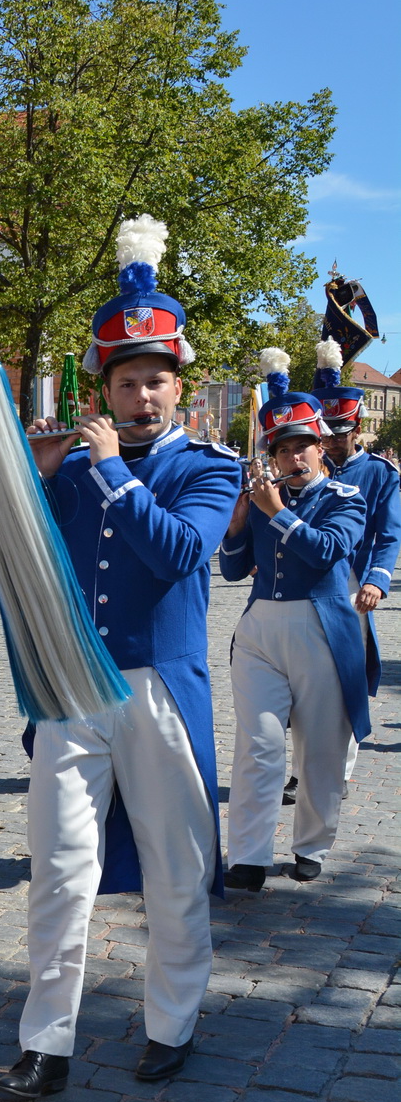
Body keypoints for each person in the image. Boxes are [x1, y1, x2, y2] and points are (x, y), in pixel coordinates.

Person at [0, 215, 242, 1099]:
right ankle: (45, 1041)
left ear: (178, 388)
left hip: (159, 689)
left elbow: (179, 552)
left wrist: (105, 473)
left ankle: (171, 1019)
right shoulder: (72, 466)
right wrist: (29, 473)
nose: (144, 396)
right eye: (129, 381)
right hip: (71, 686)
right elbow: (13, 555)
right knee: (59, 867)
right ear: (106, 385)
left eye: (156, 382)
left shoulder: (207, 467)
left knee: (174, 866)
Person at [220, 358, 368, 891]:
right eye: (281, 447)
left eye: (301, 445)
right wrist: (238, 521)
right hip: (261, 628)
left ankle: (311, 844)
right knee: (257, 745)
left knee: (321, 750)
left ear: (321, 445)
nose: (292, 455)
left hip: (323, 630)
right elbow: (235, 569)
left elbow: (328, 550)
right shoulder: (262, 498)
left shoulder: (346, 499)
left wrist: (277, 511)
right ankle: (249, 856)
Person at [314, 346, 401, 770]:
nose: (329, 440)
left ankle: (339, 767)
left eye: (339, 432)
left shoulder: (381, 474)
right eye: (324, 432)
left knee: (344, 678)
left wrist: (377, 580)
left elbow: (389, 533)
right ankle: (301, 769)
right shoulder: (309, 467)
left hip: (353, 585)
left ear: (358, 428)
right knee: (305, 680)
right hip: (308, 581)